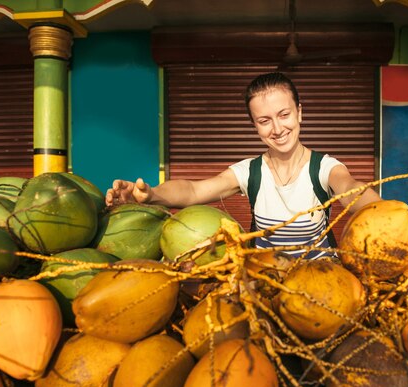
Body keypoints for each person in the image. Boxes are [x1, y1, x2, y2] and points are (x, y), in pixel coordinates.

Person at [106, 72, 381, 259]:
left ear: (300, 112)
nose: (277, 128)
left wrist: (380, 212)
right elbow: (193, 191)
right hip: (263, 281)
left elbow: (351, 188)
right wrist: (151, 195)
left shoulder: (323, 168)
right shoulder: (250, 172)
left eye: (284, 114)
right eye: (264, 120)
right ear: (254, 126)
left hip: (322, 282)